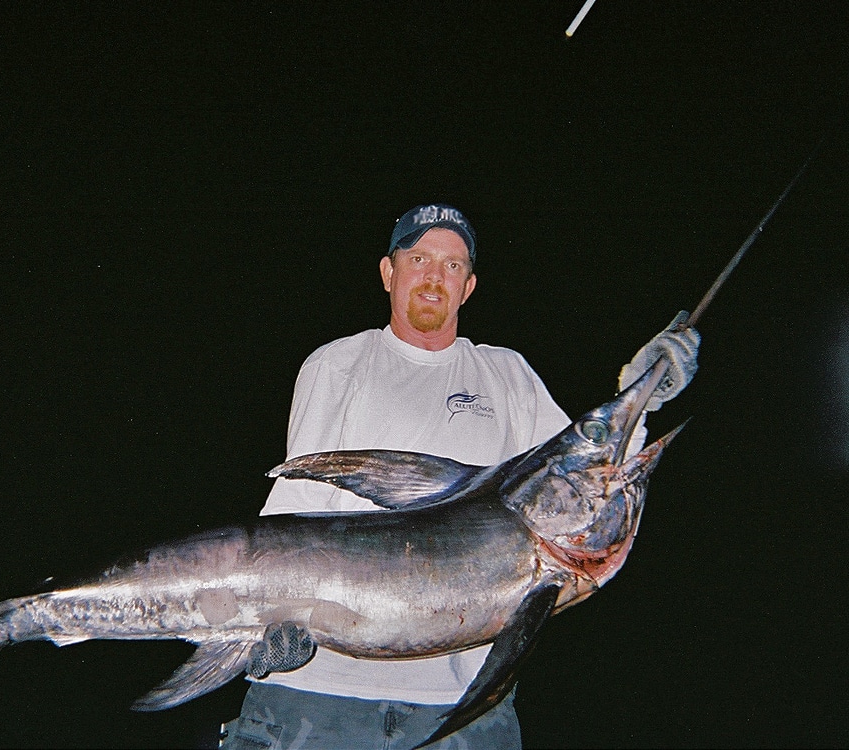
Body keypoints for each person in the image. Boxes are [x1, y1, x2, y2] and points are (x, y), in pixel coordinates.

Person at [219, 204, 700, 749]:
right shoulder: (338, 363)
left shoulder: (506, 375)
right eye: (419, 257)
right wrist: (261, 622)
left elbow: (585, 480)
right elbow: (294, 506)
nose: (433, 276)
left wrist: (641, 395)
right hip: (317, 692)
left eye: (451, 265)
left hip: (459, 707)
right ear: (388, 272)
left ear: (468, 287)